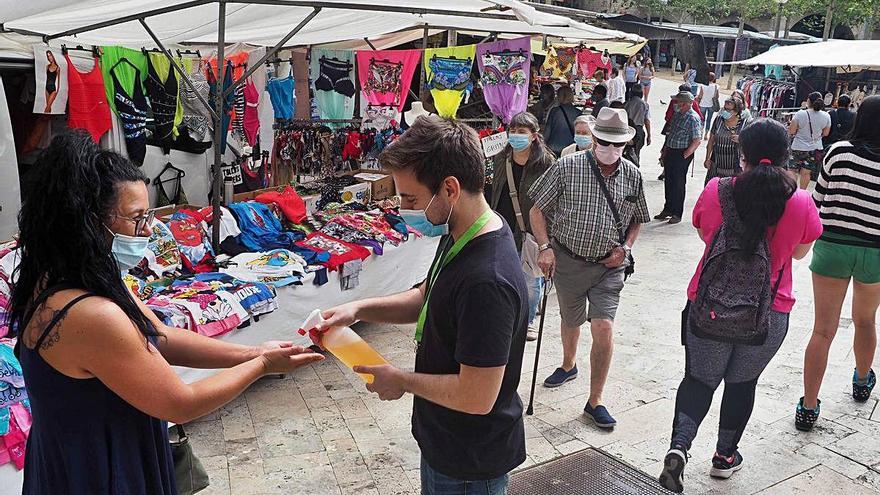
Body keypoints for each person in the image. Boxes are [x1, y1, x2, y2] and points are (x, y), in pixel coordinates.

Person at [9, 131, 323, 495]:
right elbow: (180, 402)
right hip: (98, 470)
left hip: (80, 455)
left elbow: (161, 336)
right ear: (88, 221)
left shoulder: (72, 278)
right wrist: (263, 367)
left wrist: (257, 351)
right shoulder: (91, 315)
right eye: (137, 218)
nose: (149, 229)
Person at [316, 116, 528, 495]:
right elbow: (424, 298)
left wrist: (401, 380)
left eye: (410, 198)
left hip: (468, 461)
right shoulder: (465, 230)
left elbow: (477, 396)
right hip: (445, 441)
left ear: (449, 189)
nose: (401, 208)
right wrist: (359, 309)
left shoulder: (487, 281)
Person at [658, 119, 822, 493]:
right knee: (742, 384)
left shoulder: (717, 190)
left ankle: (679, 448)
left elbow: (705, 235)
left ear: (742, 154)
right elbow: (798, 254)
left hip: (708, 308)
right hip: (769, 313)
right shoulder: (800, 201)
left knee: (699, 380)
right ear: (786, 156)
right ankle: (724, 457)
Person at [528, 107, 650, 429]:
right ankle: (569, 364)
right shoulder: (567, 167)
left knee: (603, 327)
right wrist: (544, 248)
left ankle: (595, 400)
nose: (611, 150)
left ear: (626, 144)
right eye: (605, 143)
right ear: (594, 139)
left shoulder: (633, 175)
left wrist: (625, 249)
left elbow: (637, 219)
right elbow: (537, 210)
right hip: (568, 259)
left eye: (618, 145)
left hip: (609, 267)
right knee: (570, 319)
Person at [797, 95, 880, 432]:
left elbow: (818, 202)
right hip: (875, 252)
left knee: (822, 330)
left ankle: (809, 406)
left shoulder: (838, 152)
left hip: (832, 248)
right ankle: (862, 380)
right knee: (865, 321)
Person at [491, 112, 555, 342]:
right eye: (513, 131)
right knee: (500, 275)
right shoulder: (501, 158)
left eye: (522, 132)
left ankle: (526, 322)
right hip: (501, 225)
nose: (516, 136)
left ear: (534, 136)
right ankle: (503, 316)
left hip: (529, 229)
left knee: (529, 278)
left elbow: (551, 201)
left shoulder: (546, 163)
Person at [656, 90, 701, 224]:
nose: (676, 104)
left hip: (682, 153)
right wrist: (665, 150)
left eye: (678, 102)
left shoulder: (693, 118)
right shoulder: (677, 115)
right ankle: (668, 208)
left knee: (678, 183)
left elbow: (697, 140)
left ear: (685, 104)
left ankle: (677, 212)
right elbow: (671, 133)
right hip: (671, 150)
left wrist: (685, 155)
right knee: (669, 181)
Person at [789, 91, 831, 189]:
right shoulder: (826, 116)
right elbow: (825, 133)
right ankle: (802, 194)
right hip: (815, 148)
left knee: (792, 171)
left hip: (798, 147)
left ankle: (792, 192)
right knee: (806, 173)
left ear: (808, 101)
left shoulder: (800, 114)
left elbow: (791, 131)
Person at [703, 97, 746, 183]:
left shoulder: (744, 124)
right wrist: (707, 158)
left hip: (734, 166)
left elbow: (751, 143)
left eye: (728, 110)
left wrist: (741, 139)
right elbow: (711, 140)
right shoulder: (718, 120)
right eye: (724, 109)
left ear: (736, 111)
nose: (725, 111)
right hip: (716, 163)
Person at [543, 86, 581, 157]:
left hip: (553, 148)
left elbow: (547, 132)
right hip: (570, 149)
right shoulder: (578, 113)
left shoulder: (554, 111)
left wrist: (542, 145)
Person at [624, 86, 652, 166]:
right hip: (639, 130)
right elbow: (647, 121)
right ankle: (635, 168)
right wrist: (649, 135)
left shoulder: (627, 103)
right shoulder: (645, 104)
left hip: (628, 130)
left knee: (626, 151)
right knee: (636, 152)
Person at [696, 72, 719, 140]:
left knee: (702, 119)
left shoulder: (703, 86)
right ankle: (706, 134)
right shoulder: (716, 86)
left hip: (702, 104)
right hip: (711, 105)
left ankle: (701, 132)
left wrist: (698, 100)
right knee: (709, 120)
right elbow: (717, 96)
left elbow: (700, 95)